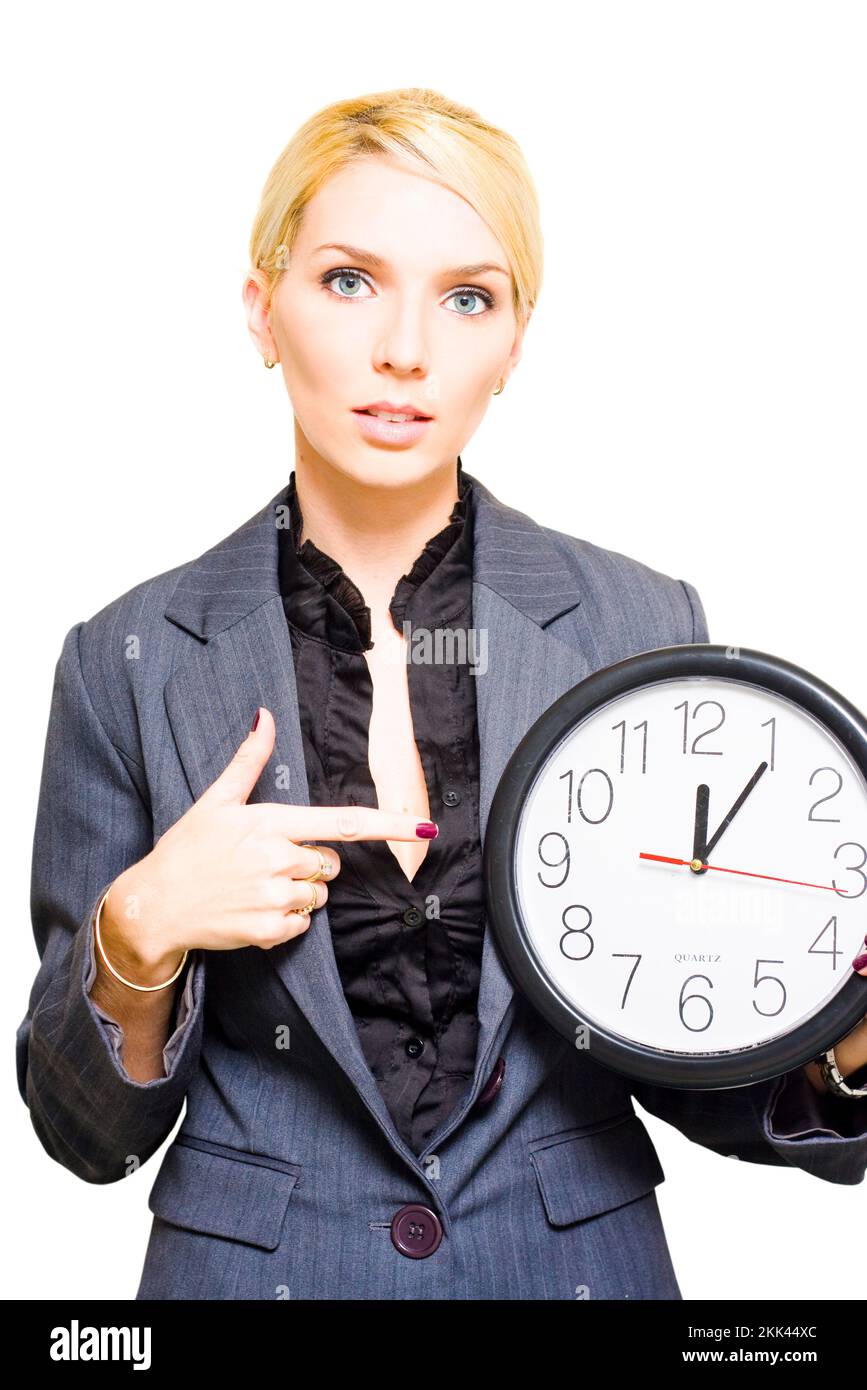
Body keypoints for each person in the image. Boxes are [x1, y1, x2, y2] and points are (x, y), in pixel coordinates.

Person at [17, 87, 867, 1302]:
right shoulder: (126, 658)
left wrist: (846, 1030)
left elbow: (694, 1049)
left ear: (514, 343)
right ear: (263, 309)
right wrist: (139, 928)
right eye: (350, 280)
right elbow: (85, 1133)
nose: (405, 348)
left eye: (468, 297)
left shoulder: (639, 623)